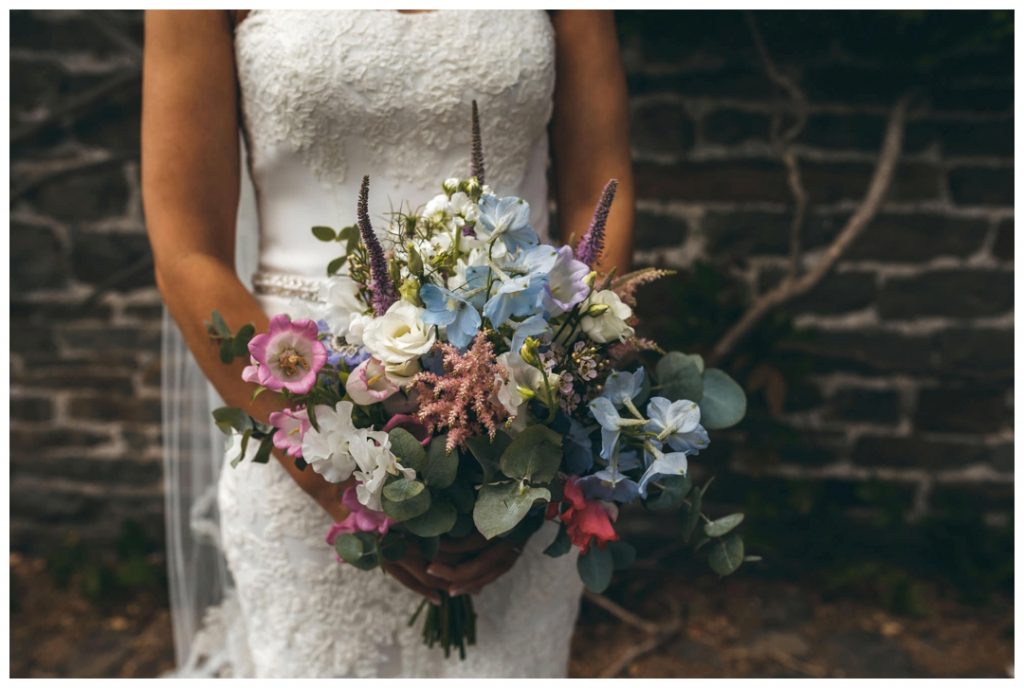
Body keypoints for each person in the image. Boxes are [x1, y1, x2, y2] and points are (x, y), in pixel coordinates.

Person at [143, 9, 634, 677]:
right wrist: (338, 488)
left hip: (514, 424)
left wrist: (533, 461)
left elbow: (597, 193)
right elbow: (187, 252)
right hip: (300, 428)